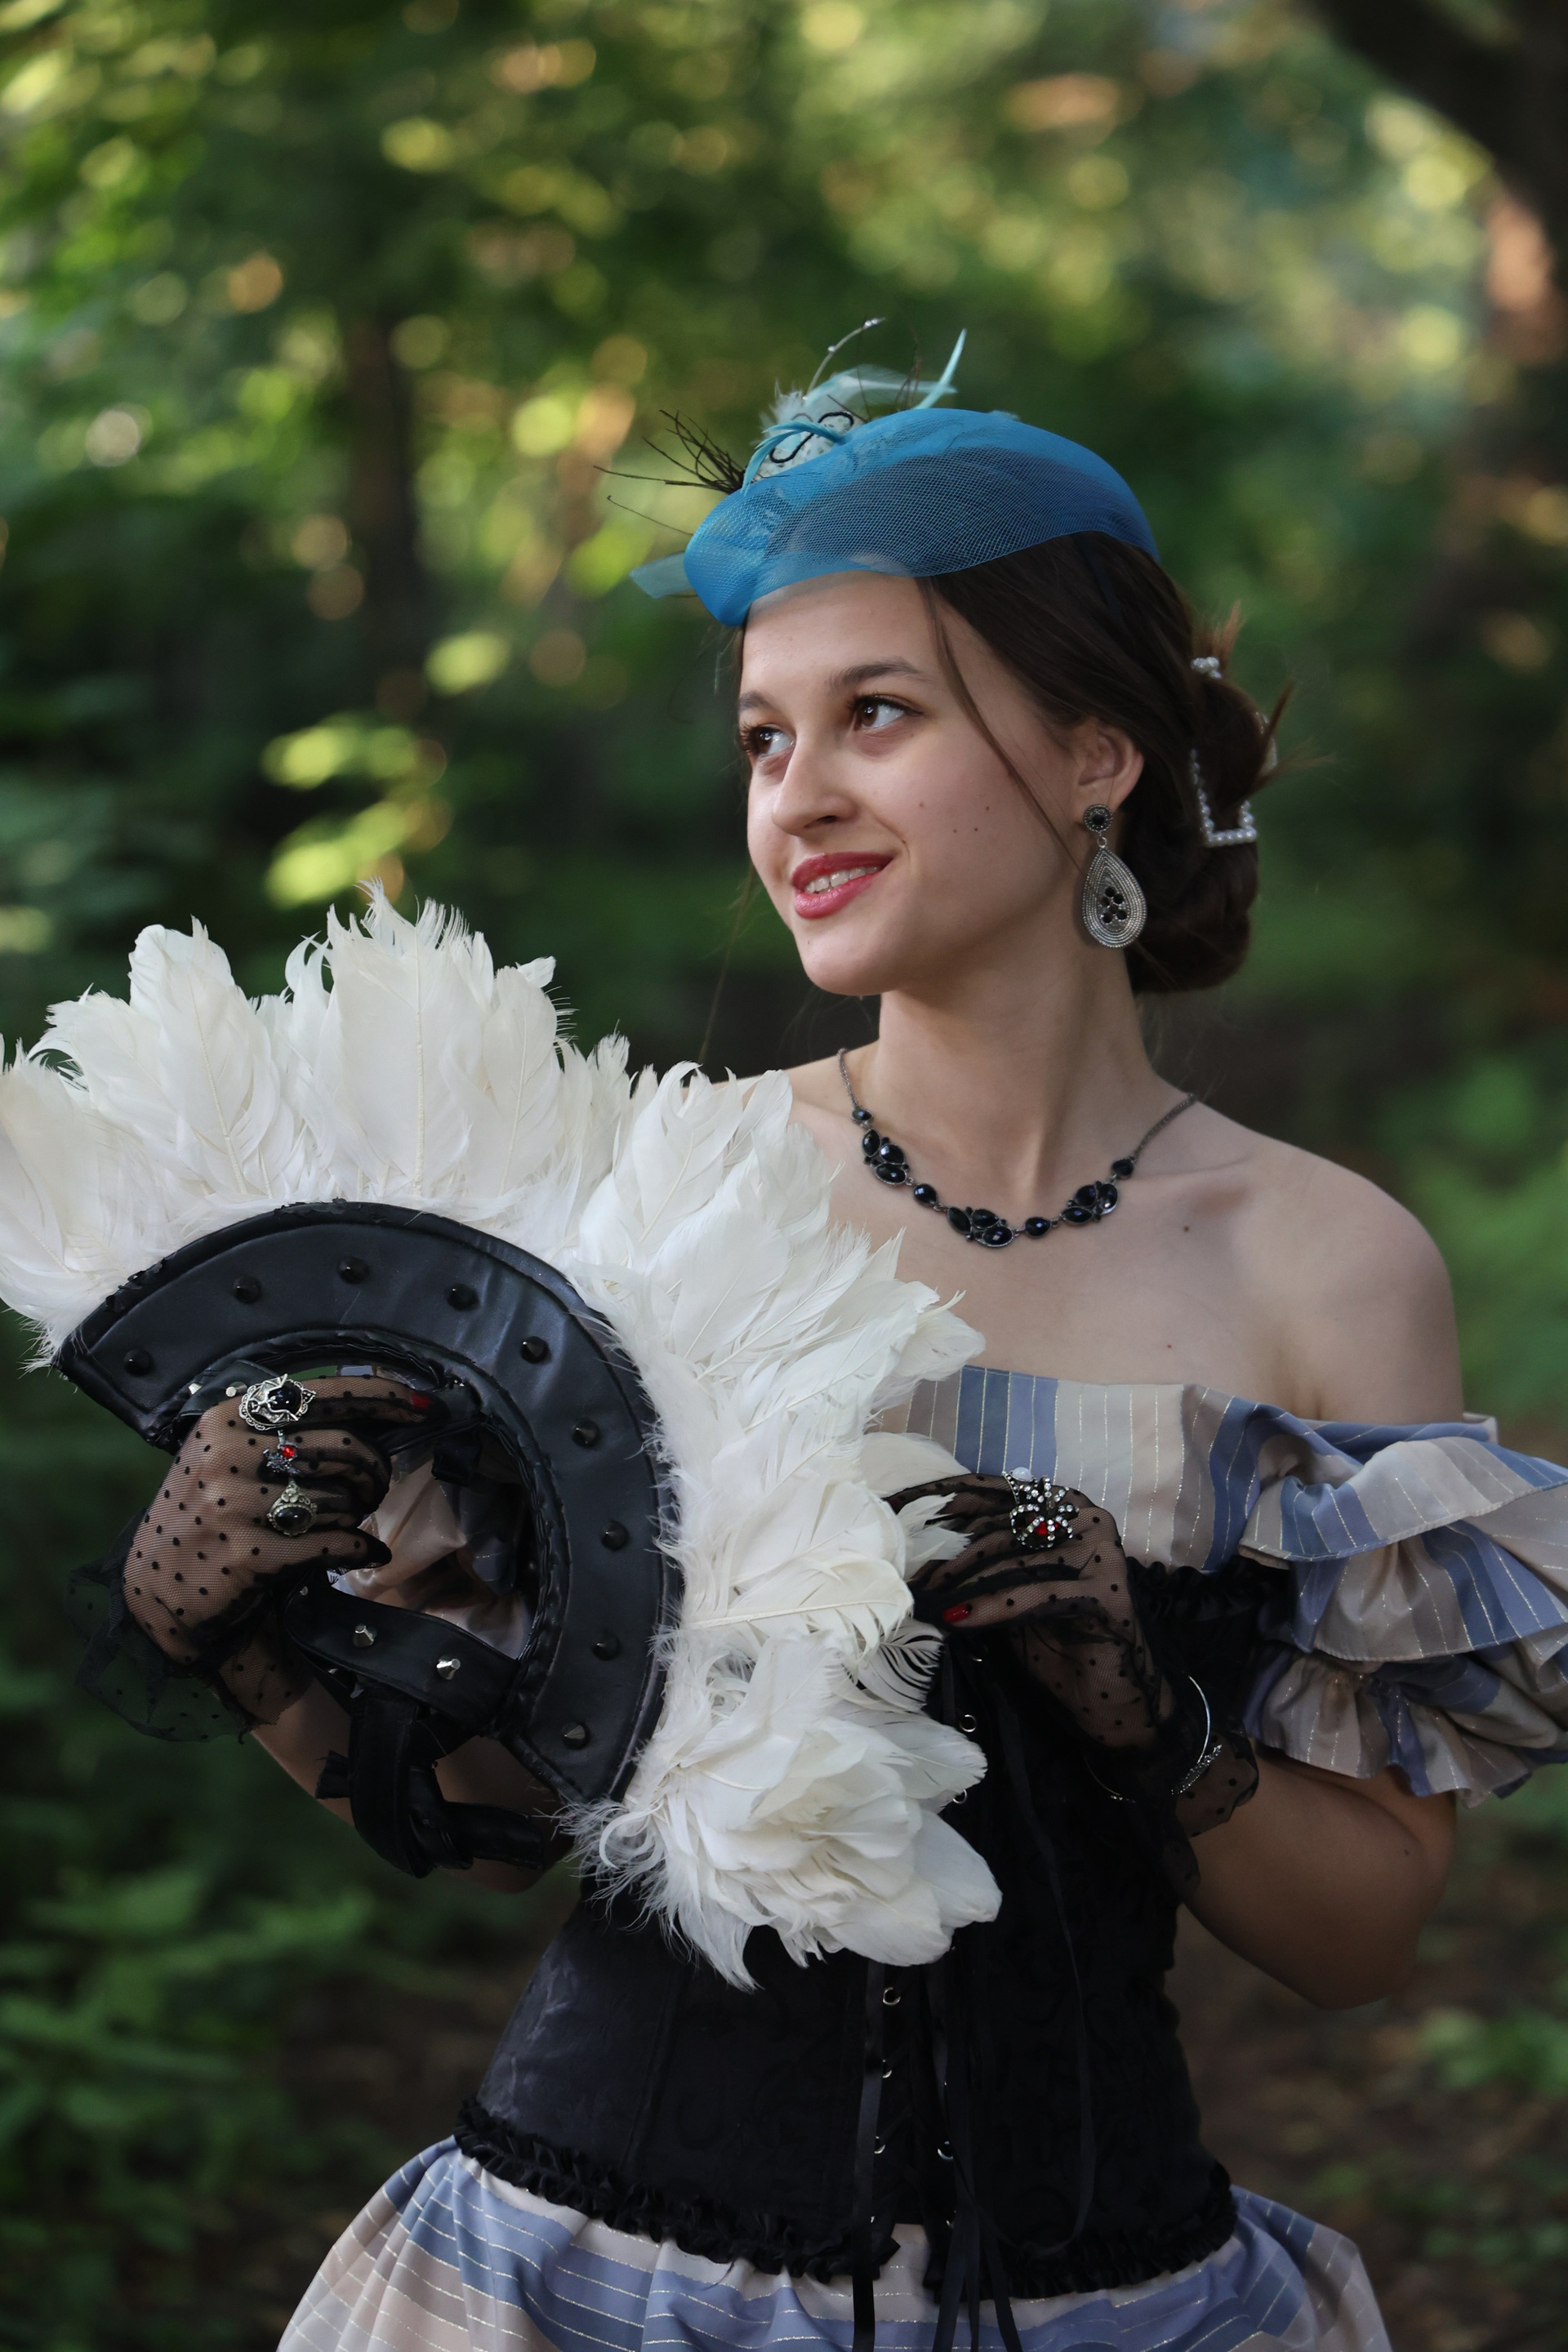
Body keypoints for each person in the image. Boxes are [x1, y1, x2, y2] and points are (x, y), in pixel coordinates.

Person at [100, 353, 1568, 2352]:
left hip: (1114, 2290)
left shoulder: (1333, 1267)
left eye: (877, 712)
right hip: (587, 2277)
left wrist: (1157, 1730)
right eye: (764, 737)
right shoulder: (664, 1185)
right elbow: (494, 1800)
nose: (796, 795)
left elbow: (1363, 1937)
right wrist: (242, 1636)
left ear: (1095, 754)